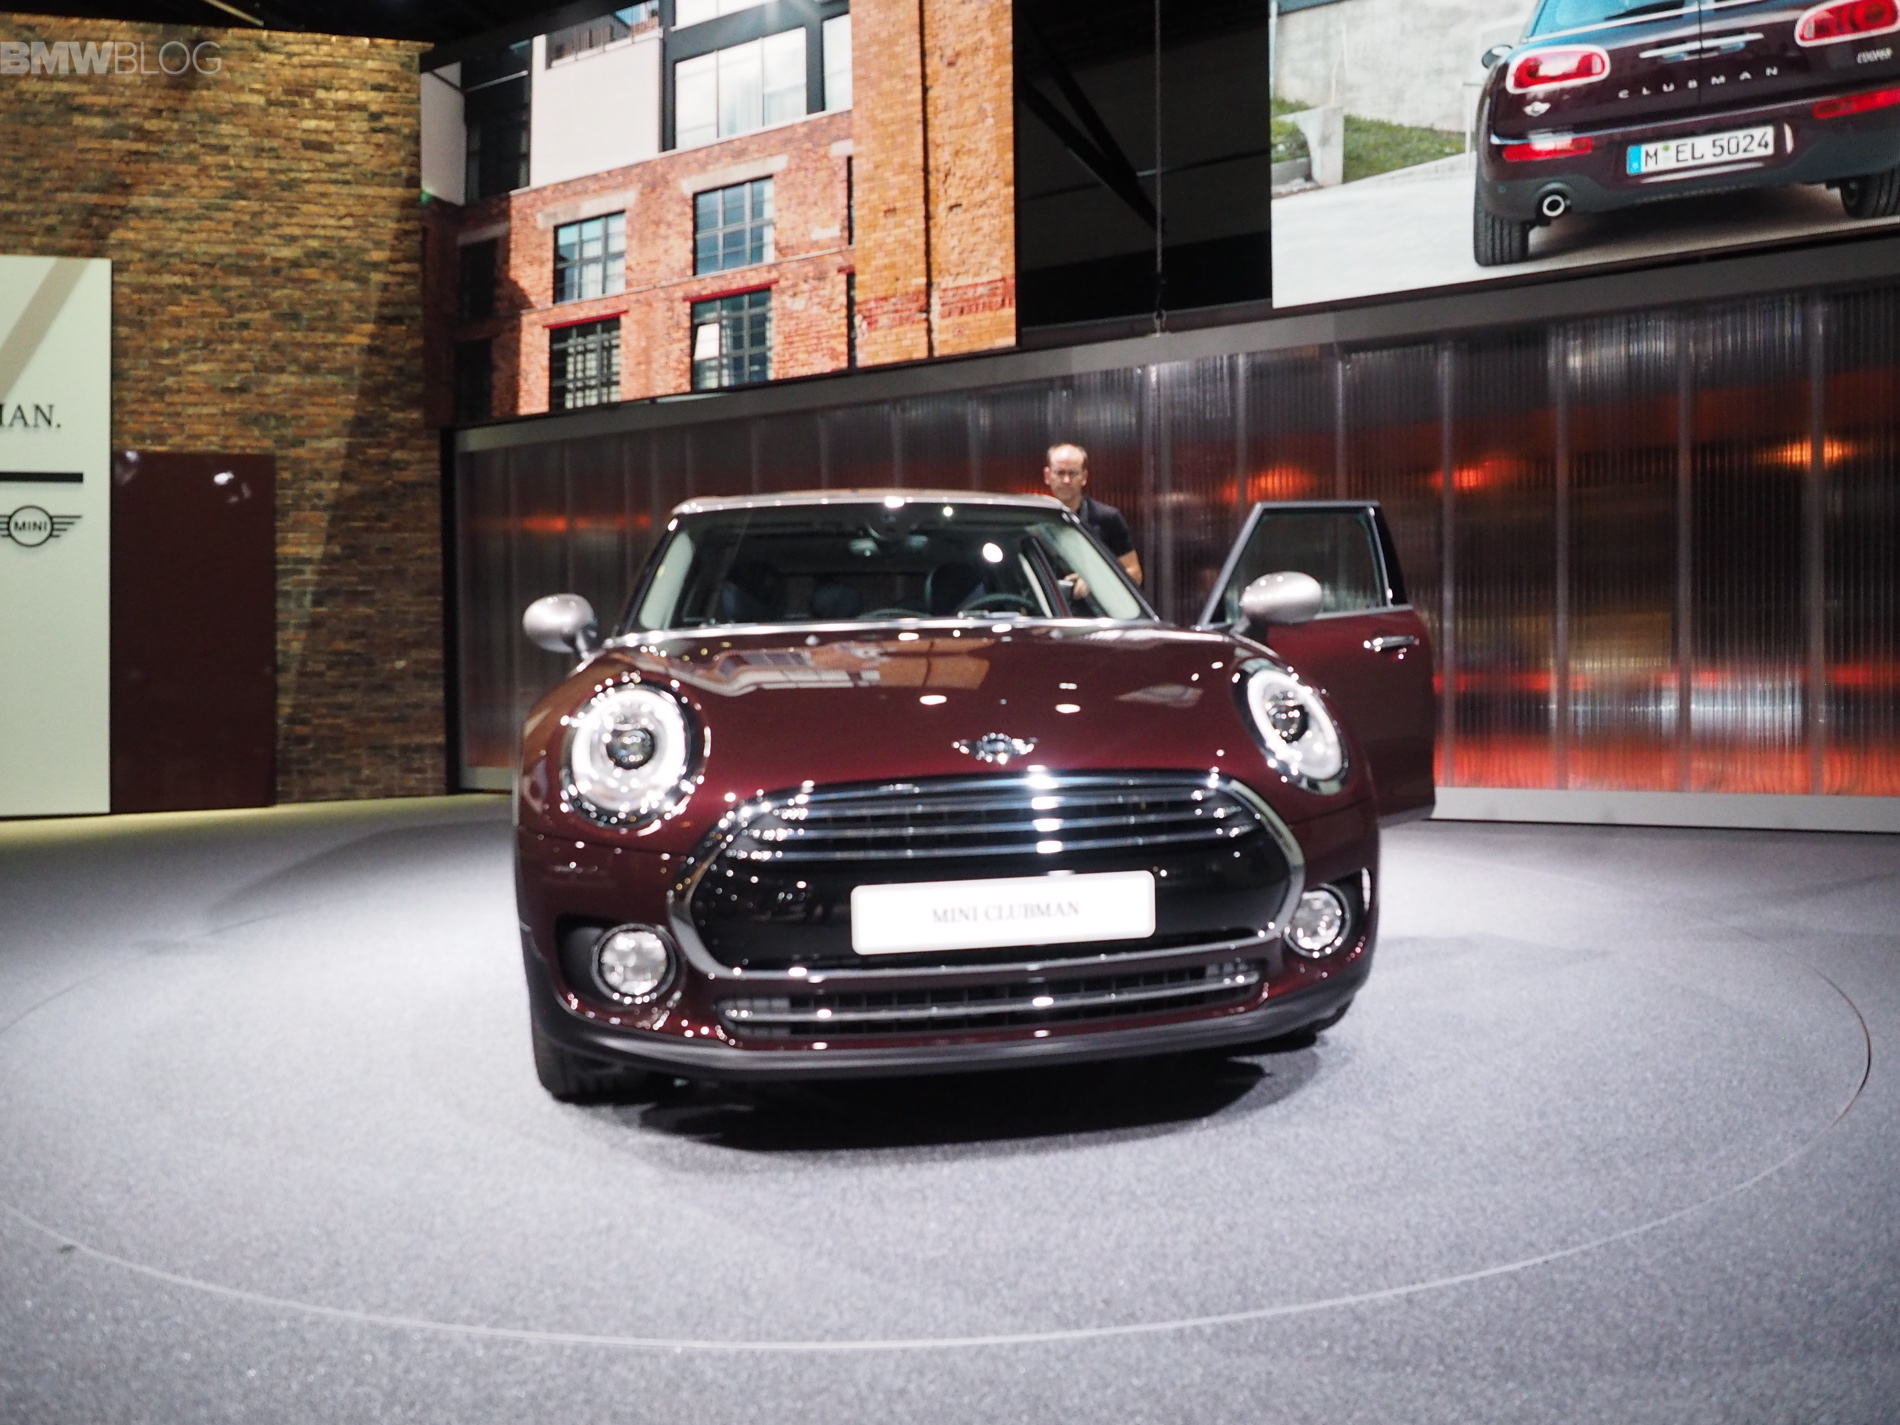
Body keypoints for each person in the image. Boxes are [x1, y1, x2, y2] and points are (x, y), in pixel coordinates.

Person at [1042, 442, 1142, 585]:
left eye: (1073, 473)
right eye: (1060, 473)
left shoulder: (1107, 519)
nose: (1066, 480)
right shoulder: (1030, 521)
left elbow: (1135, 575)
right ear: (1047, 475)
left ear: (1084, 477)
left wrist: (1094, 582)